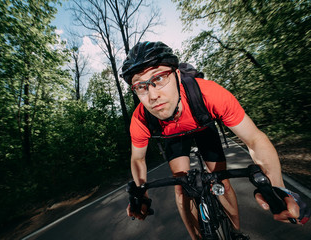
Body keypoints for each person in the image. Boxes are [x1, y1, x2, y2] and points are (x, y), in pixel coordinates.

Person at [120, 41, 309, 239]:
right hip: (172, 135)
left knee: (222, 181)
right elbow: (138, 159)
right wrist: (141, 194)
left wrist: (277, 188)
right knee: (181, 188)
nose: (153, 95)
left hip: (202, 126)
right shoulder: (141, 118)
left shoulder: (209, 94)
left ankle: (235, 233)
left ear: (176, 75)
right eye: (141, 86)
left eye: (159, 78)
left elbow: (254, 139)